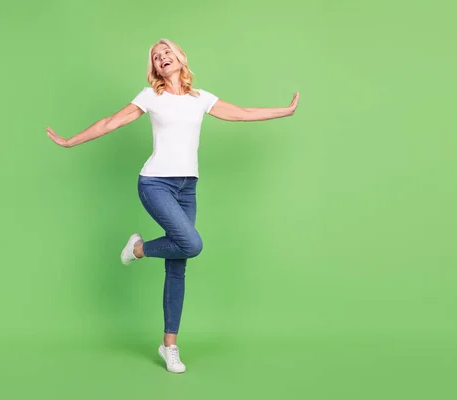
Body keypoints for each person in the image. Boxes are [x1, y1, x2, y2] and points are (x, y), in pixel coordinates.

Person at [46, 38, 299, 374]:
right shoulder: (151, 96)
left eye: (166, 52)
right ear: (154, 68)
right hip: (155, 183)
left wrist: (284, 110)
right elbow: (111, 122)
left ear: (180, 58)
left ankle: (169, 347)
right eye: (155, 56)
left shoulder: (200, 99)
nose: (162, 57)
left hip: (187, 187)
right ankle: (139, 249)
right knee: (191, 243)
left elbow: (241, 114)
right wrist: (68, 141)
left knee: (178, 266)